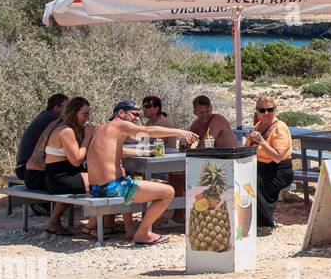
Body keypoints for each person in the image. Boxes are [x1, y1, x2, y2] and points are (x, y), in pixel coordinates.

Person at [85, 100, 198, 246]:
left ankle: (131, 230)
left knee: (129, 178)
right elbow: (148, 131)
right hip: (112, 188)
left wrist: (148, 152)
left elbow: (119, 151)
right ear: (120, 113)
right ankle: (142, 233)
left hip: (96, 188)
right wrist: (179, 132)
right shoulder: (120, 125)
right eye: (134, 114)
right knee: (168, 192)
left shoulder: (101, 129)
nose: (137, 118)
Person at [40, 97, 94, 237]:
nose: (88, 118)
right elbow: (76, 160)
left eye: (89, 113)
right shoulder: (66, 131)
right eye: (85, 114)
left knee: (100, 178)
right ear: (73, 113)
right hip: (60, 178)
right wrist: (87, 138)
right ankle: (95, 225)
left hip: (62, 175)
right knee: (103, 181)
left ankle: (53, 222)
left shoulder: (71, 128)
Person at [245, 94, 293, 230]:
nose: (266, 113)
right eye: (262, 110)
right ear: (257, 111)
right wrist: (250, 141)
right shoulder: (258, 126)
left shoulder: (280, 128)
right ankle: (252, 220)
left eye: (270, 110)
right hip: (261, 167)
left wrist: (261, 141)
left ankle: (264, 222)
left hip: (279, 170)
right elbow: (248, 149)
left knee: (256, 182)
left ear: (275, 110)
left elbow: (277, 157)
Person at [15, 93, 67, 214]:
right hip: (28, 169)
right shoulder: (53, 120)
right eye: (67, 106)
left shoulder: (44, 117)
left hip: (22, 166)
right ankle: (43, 205)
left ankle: (42, 204)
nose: (69, 110)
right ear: (56, 107)